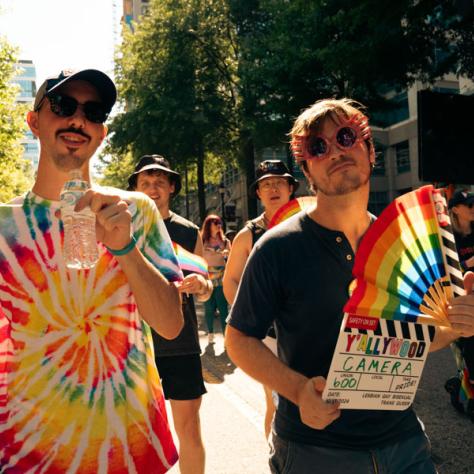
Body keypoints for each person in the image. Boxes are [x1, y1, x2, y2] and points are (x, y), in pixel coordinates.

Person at [225, 98, 474, 473]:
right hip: (314, 451)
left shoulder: (406, 241)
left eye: (346, 137)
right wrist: (296, 391)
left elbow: (418, 336)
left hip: (405, 442)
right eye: (318, 147)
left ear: (370, 150)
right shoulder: (276, 247)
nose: (336, 151)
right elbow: (238, 339)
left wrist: (453, 325)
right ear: (307, 169)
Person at [0, 69, 184, 472]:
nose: (78, 120)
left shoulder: (138, 210)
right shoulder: (4, 227)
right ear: (33, 121)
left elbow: (171, 324)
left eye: (94, 111)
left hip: (132, 449)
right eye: (63, 106)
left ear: (101, 134)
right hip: (29, 451)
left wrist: (125, 247)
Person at [128, 154, 212, 474]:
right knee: (135, 436)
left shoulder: (188, 231)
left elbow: (205, 289)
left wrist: (201, 283)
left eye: (160, 182)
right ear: (135, 188)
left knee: (188, 429)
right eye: (146, 182)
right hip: (135, 344)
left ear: (172, 187)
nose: (153, 188)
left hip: (180, 343)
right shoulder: (123, 231)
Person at [223, 159, 299, 439]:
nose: (273, 188)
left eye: (279, 182)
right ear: (258, 193)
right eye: (266, 184)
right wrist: (248, 319)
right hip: (268, 334)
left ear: (291, 187)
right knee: (277, 402)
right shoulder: (249, 233)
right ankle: (276, 461)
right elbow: (230, 280)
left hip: (309, 327)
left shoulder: (312, 222)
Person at [444, 190, 474, 418]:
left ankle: (461, 388)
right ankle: (462, 392)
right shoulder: (449, 236)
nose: (473, 207)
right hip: (460, 302)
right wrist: (466, 262)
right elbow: (443, 269)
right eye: (469, 204)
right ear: (455, 209)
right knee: (470, 352)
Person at [201, 214, 231, 343]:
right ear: (209, 225)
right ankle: (210, 333)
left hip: (221, 277)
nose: (219, 226)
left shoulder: (225, 241)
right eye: (215, 223)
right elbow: (197, 257)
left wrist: (227, 253)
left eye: (220, 223)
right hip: (207, 277)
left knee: (223, 308)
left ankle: (226, 337)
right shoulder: (202, 240)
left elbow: (233, 257)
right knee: (209, 307)